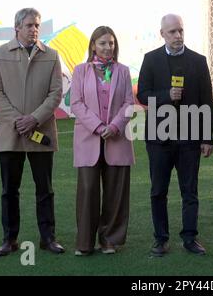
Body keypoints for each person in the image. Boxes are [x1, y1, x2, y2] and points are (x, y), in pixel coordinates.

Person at [0, 8, 64, 256]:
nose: (34, 29)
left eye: (37, 25)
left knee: (46, 189)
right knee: (9, 190)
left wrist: (34, 119)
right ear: (17, 28)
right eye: (29, 25)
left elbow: (56, 93)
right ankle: (9, 239)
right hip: (10, 135)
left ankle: (48, 238)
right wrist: (18, 121)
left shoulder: (52, 56)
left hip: (41, 133)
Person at [137, 14, 213, 256]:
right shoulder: (150, 60)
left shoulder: (198, 61)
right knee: (158, 190)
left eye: (180, 30)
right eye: (172, 32)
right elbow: (142, 95)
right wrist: (166, 95)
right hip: (159, 139)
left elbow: (207, 102)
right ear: (162, 34)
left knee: (190, 192)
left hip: (190, 139)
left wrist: (207, 137)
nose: (177, 35)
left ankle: (190, 238)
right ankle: (161, 239)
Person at [70, 26, 135, 256]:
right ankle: (85, 243)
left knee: (115, 193)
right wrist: (98, 127)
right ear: (93, 45)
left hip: (117, 139)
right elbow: (76, 103)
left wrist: (115, 126)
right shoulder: (80, 71)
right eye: (103, 43)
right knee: (87, 191)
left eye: (111, 43)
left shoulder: (123, 71)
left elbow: (129, 103)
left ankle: (109, 240)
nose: (108, 47)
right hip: (89, 139)